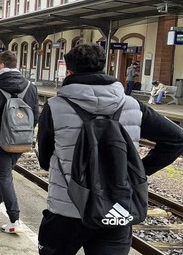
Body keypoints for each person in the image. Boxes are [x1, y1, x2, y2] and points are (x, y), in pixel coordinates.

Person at [36, 43, 183, 254]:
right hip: (116, 209)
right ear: (104, 68)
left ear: (69, 71)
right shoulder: (133, 105)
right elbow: (176, 139)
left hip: (67, 209)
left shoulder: (55, 106)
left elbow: (44, 158)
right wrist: (138, 171)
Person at [0, 50, 39, 234]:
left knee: (4, 176)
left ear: (1, 64)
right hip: (21, 139)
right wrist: (23, 131)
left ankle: (14, 219)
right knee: (5, 174)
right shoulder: (30, 86)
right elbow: (35, 116)